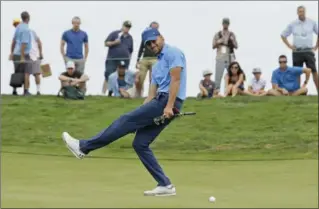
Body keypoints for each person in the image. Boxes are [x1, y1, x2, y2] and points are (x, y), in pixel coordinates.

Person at [62, 27, 187, 197]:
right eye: (148, 43)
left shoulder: (173, 52)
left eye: (154, 40)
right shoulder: (156, 67)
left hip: (168, 101)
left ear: (161, 37)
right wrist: (142, 116)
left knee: (125, 120)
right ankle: (165, 184)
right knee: (140, 143)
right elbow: (150, 96)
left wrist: (168, 106)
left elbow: (176, 80)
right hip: (160, 102)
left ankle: (83, 147)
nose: (152, 44)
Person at [281, 5, 318, 93]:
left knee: (314, 71)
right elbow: (283, 35)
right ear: (297, 13)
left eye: (303, 11)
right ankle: (297, 92)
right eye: (300, 11)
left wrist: (316, 47)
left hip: (308, 51)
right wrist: (289, 46)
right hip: (297, 52)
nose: (301, 13)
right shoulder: (292, 24)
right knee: (297, 72)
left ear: (305, 12)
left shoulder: (312, 22)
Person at [102, 21, 134, 95]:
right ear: (122, 26)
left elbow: (131, 50)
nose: (127, 28)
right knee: (109, 75)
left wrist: (129, 59)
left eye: (128, 27)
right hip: (112, 58)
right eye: (126, 26)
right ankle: (104, 93)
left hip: (125, 60)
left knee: (123, 76)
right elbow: (106, 43)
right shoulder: (115, 34)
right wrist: (114, 43)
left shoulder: (130, 37)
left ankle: (123, 93)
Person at [212, 17, 238, 94]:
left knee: (231, 75)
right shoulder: (218, 34)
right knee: (218, 76)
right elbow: (213, 46)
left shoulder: (232, 34)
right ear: (222, 24)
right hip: (220, 57)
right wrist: (219, 42)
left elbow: (236, 46)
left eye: (227, 23)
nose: (225, 25)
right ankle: (217, 92)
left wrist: (232, 41)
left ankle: (229, 91)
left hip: (230, 57)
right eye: (224, 23)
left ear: (228, 24)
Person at [9, 11, 32, 96]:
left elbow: (13, 41)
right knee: (26, 72)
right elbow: (24, 44)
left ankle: (14, 90)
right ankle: (26, 91)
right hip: (23, 54)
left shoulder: (18, 27)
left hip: (15, 53)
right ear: (28, 18)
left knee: (16, 72)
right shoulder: (26, 29)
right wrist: (22, 57)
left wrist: (11, 53)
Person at [136, 21, 159, 96]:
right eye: (153, 27)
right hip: (145, 59)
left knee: (152, 79)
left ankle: (151, 95)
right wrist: (138, 60)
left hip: (154, 59)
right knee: (140, 78)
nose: (155, 29)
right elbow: (141, 48)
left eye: (156, 28)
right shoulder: (145, 36)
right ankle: (138, 94)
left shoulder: (159, 37)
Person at [29, 28, 43, 95]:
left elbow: (39, 42)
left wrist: (40, 53)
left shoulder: (32, 32)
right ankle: (26, 91)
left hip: (35, 55)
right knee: (26, 74)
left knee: (37, 74)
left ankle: (38, 91)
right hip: (27, 56)